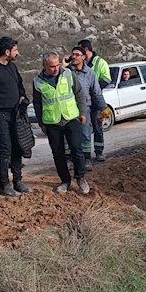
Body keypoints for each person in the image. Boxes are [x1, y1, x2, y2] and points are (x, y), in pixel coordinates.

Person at [33, 52, 91, 194]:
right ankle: (65, 181)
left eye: (57, 65)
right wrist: (41, 123)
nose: (55, 69)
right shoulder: (38, 81)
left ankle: (81, 178)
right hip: (52, 122)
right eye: (51, 67)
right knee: (58, 153)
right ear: (44, 66)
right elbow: (37, 104)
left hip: (71, 118)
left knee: (77, 149)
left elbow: (79, 93)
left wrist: (82, 112)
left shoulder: (68, 74)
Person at [0, 36, 30, 197]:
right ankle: (4, 185)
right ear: (7, 51)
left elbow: (19, 85)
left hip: (15, 114)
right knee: (5, 148)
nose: (18, 53)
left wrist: (22, 96)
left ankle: (18, 181)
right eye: (15, 50)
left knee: (17, 147)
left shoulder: (12, 67)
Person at [69, 45, 108, 170]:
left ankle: (86, 159)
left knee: (85, 134)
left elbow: (96, 92)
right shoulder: (66, 72)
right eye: (72, 54)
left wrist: (104, 107)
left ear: (84, 57)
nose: (73, 57)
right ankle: (70, 159)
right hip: (69, 108)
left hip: (84, 108)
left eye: (77, 55)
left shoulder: (90, 73)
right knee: (69, 135)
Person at [79, 39, 111, 161]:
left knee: (97, 127)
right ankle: (84, 154)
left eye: (81, 50)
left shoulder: (100, 62)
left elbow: (106, 79)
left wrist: (93, 88)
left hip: (96, 101)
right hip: (85, 101)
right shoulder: (80, 63)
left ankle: (99, 152)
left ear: (86, 50)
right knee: (84, 129)